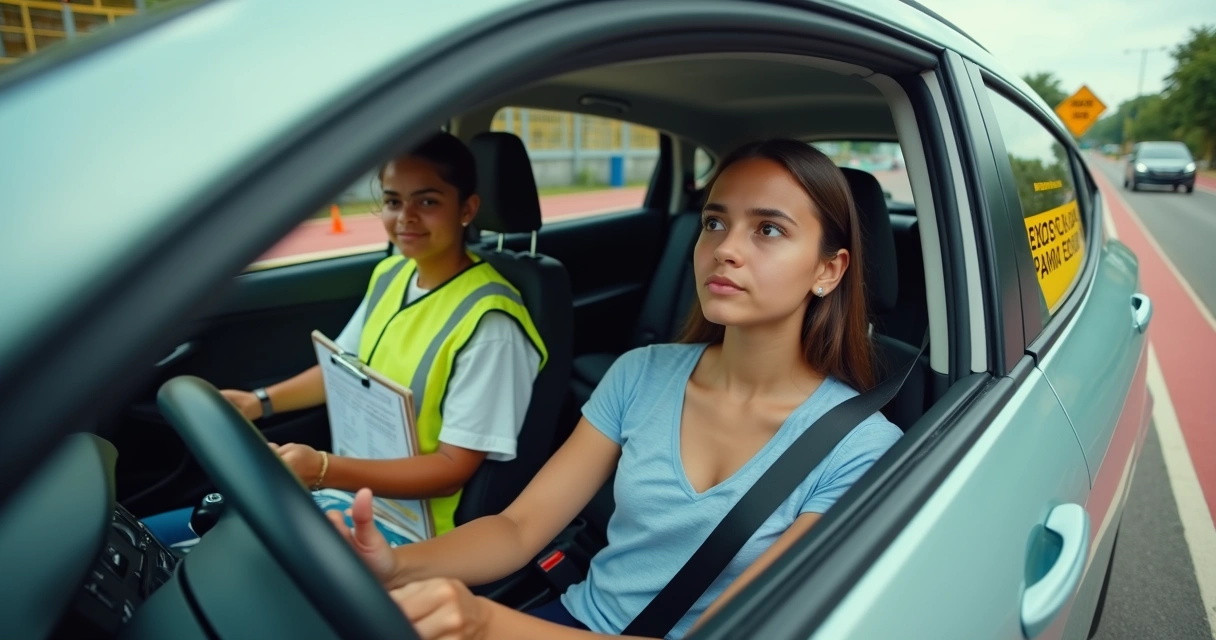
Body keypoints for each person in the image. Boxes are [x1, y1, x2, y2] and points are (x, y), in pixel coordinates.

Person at [327, 138, 904, 639]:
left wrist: (484, 625)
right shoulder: (641, 373)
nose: (725, 248)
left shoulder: (858, 450)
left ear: (829, 270)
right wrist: (395, 567)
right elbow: (518, 528)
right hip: (568, 620)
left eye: (769, 229)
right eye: (714, 222)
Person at [143, 132, 547, 548]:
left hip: (409, 530)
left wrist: (322, 468)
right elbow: (342, 369)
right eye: (393, 201)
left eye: (427, 201)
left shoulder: (491, 324)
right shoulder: (394, 274)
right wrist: (258, 402)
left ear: (467, 209)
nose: (405, 216)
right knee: (148, 536)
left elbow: (451, 469)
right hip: (346, 493)